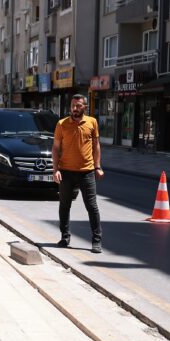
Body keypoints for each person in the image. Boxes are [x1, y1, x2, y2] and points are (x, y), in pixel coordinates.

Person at [52, 94, 103, 254]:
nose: (75, 108)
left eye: (78, 105)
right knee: (64, 205)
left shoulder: (92, 122)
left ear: (84, 107)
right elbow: (55, 148)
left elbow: (96, 146)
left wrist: (98, 166)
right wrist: (55, 170)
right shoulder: (62, 124)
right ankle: (64, 237)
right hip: (66, 171)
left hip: (86, 172)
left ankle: (97, 241)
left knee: (92, 206)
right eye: (73, 105)